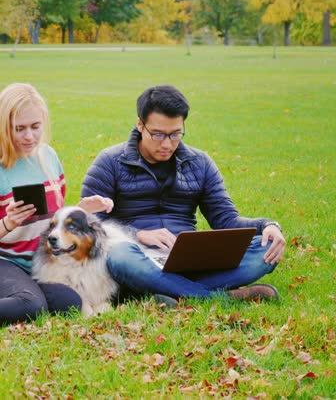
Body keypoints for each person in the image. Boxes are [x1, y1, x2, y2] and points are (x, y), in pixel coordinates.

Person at [81, 85, 286, 306]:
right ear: (140, 125)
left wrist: (267, 226)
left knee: (265, 247)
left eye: (175, 134)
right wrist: (137, 234)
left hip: (188, 258)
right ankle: (215, 297)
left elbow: (226, 220)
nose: (167, 144)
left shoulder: (200, 163)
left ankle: (167, 292)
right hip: (136, 255)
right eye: (158, 134)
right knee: (118, 256)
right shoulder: (109, 162)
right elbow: (90, 227)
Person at [0, 83, 113, 325]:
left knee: (69, 302)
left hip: (43, 262)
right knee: (31, 305)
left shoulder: (48, 157)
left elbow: (53, 219)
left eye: (35, 127)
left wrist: (81, 209)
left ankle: (26, 290)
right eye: (19, 129)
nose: (29, 136)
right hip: (6, 262)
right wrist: (8, 223)